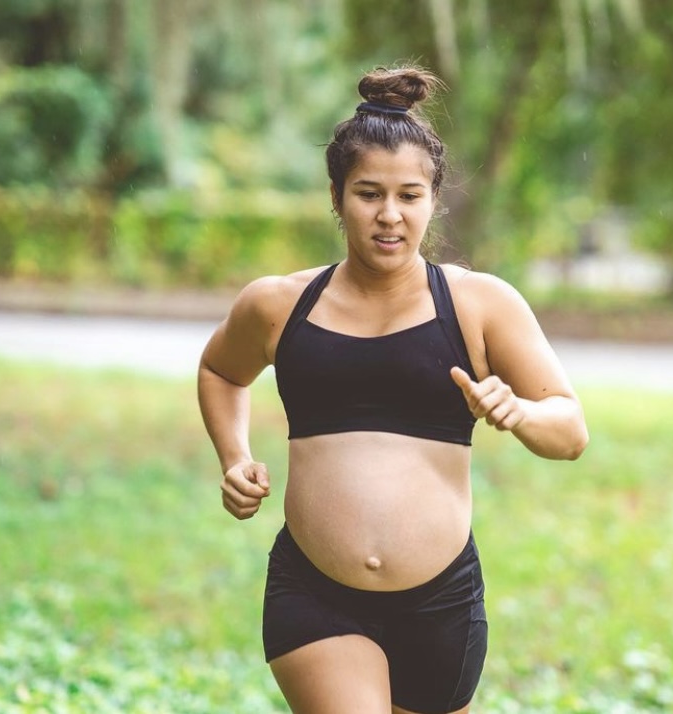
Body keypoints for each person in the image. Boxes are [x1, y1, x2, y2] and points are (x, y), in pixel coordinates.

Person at [197, 65, 588, 714]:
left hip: (440, 604)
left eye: (409, 196)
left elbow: (570, 431)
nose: (388, 215)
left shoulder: (479, 305)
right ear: (335, 195)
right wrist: (234, 457)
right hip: (314, 594)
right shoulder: (277, 305)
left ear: (432, 200)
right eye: (367, 193)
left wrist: (518, 411)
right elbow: (221, 371)